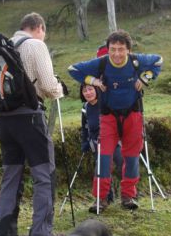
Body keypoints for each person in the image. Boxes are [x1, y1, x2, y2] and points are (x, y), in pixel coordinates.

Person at [0, 12, 64, 236]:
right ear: (39, 27)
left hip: (4, 120)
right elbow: (47, 85)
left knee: (11, 176)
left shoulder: (4, 47)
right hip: (30, 118)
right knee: (44, 175)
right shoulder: (35, 45)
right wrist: (60, 89)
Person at [68, 30, 162, 211]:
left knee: (132, 155)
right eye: (113, 49)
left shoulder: (136, 61)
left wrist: (145, 77)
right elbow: (73, 70)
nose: (117, 54)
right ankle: (101, 199)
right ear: (108, 49)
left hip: (133, 113)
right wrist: (94, 81)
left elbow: (158, 61)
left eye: (121, 49)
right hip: (108, 115)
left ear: (128, 50)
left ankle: (128, 196)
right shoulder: (101, 63)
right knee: (104, 156)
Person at [79, 83, 123, 210]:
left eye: (90, 89)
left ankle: (129, 196)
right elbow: (85, 128)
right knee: (101, 170)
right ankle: (102, 199)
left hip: (114, 142)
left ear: (96, 90)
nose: (88, 93)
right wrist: (85, 143)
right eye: (84, 90)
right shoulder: (85, 107)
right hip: (97, 144)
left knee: (123, 165)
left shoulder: (106, 103)